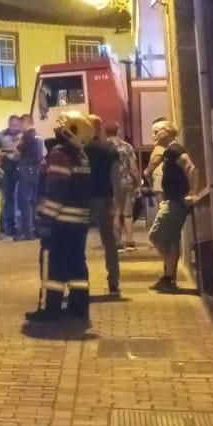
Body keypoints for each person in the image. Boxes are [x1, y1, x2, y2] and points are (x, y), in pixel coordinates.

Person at [28, 111, 94, 322]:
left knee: (52, 266)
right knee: (76, 266)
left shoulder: (59, 155)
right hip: (79, 222)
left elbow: (56, 189)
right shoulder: (81, 156)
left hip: (60, 222)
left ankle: (50, 309)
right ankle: (78, 308)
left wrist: (45, 220)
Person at [145, 119, 200, 291]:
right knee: (171, 239)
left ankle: (168, 272)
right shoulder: (169, 151)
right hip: (174, 199)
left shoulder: (174, 149)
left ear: (168, 132)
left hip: (175, 201)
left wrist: (192, 193)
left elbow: (191, 168)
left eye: (157, 131)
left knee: (155, 235)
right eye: (153, 132)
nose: (154, 135)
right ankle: (169, 278)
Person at [84, 115, 121, 298]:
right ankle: (113, 282)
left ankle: (80, 283)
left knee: (78, 242)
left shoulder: (80, 148)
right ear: (100, 128)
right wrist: (118, 203)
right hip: (104, 198)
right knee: (109, 242)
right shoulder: (109, 149)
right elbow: (115, 177)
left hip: (82, 199)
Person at [104, 120, 141, 249]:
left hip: (110, 184)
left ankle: (118, 242)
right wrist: (137, 184)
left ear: (105, 132)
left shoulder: (104, 147)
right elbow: (133, 168)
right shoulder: (127, 147)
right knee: (128, 213)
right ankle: (130, 241)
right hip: (127, 182)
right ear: (118, 131)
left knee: (116, 213)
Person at [15, 113, 43, 240]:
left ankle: (27, 230)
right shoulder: (38, 136)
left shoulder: (27, 136)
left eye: (20, 124)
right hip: (35, 171)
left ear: (25, 123)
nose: (19, 127)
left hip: (26, 171)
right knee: (32, 201)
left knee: (24, 201)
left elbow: (16, 153)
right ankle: (34, 229)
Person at [0, 114, 22, 236]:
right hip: (6, 169)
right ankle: (9, 226)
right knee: (8, 198)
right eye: (11, 125)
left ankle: (20, 225)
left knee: (21, 198)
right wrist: (4, 154)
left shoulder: (23, 135)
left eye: (15, 125)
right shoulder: (1, 135)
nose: (13, 127)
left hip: (21, 168)